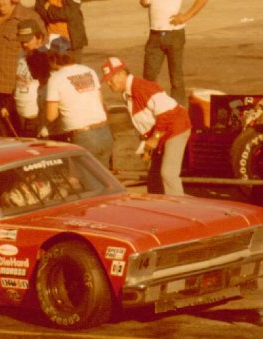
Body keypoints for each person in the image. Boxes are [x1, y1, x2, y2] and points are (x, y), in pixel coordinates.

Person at [101, 56, 191, 196]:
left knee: (168, 173)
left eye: (110, 79)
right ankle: (157, 207)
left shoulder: (142, 87)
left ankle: (179, 207)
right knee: (154, 177)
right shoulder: (127, 93)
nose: (109, 84)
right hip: (162, 132)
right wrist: (147, 145)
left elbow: (167, 113)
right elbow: (146, 121)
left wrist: (154, 138)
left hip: (175, 129)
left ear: (121, 74)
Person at [46, 37, 113, 169]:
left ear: (54, 57)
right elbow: (100, 101)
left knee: (86, 182)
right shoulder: (89, 70)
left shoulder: (55, 79)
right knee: (104, 180)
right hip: (105, 133)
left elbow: (51, 116)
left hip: (84, 137)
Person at [0, 0, 46, 135]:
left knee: (27, 133)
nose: (0, 2)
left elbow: (41, 47)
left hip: (17, 88)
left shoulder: (29, 17)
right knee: (11, 133)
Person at [140, 0, 208, 106]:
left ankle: (178, 113)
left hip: (174, 33)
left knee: (176, 79)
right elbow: (145, 3)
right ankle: (150, 111)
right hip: (154, 34)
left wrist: (186, 16)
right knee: (149, 77)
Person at [15, 18, 50, 137]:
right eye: (21, 41)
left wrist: (43, 124)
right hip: (22, 114)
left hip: (37, 119)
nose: (24, 44)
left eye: (28, 40)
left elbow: (47, 90)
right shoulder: (22, 54)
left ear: (39, 38)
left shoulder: (44, 57)